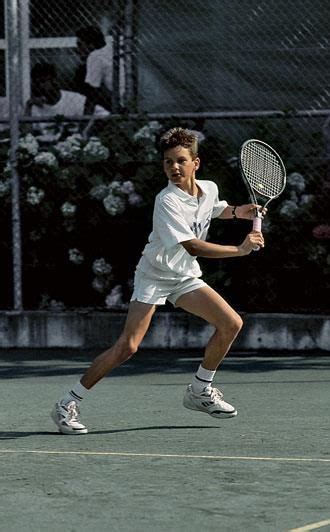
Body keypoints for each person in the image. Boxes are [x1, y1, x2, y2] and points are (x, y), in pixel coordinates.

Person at [51, 127, 265, 435]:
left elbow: (211, 210)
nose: (174, 168)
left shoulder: (210, 188)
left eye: (180, 161)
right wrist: (240, 250)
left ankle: (200, 390)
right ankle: (66, 404)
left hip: (184, 276)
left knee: (231, 323)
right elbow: (193, 245)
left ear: (196, 164)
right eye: (168, 162)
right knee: (128, 347)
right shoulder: (166, 201)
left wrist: (236, 212)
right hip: (155, 275)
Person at [25, 62, 109, 142]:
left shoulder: (75, 99)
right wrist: (28, 105)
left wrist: (86, 132)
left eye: (46, 80)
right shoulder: (35, 106)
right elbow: (26, 135)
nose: (43, 85)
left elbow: (105, 116)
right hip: (47, 150)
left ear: (55, 80)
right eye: (39, 82)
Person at [75, 26, 118, 114]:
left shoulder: (95, 56)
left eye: (80, 45)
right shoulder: (111, 51)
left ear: (91, 45)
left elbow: (92, 92)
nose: (77, 50)